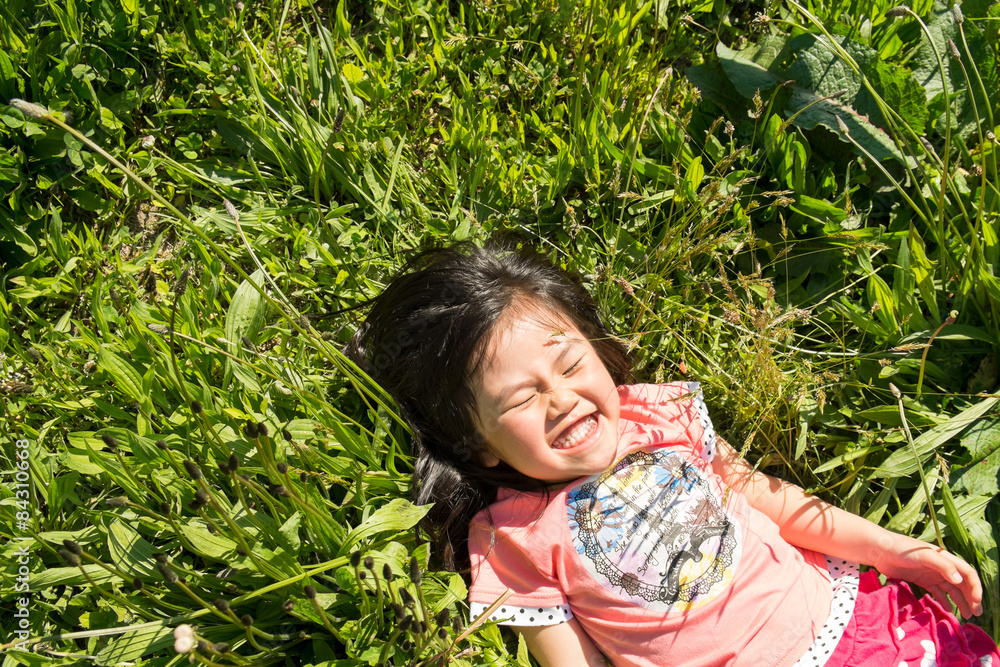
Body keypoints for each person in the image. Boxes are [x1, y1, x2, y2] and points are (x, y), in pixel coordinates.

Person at [348, 240, 1000, 667]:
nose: (561, 398)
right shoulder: (513, 536)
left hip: (853, 625)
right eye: (520, 398)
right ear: (479, 448)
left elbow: (776, 501)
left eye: (571, 363)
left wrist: (893, 550)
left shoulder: (658, 414)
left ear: (598, 352)